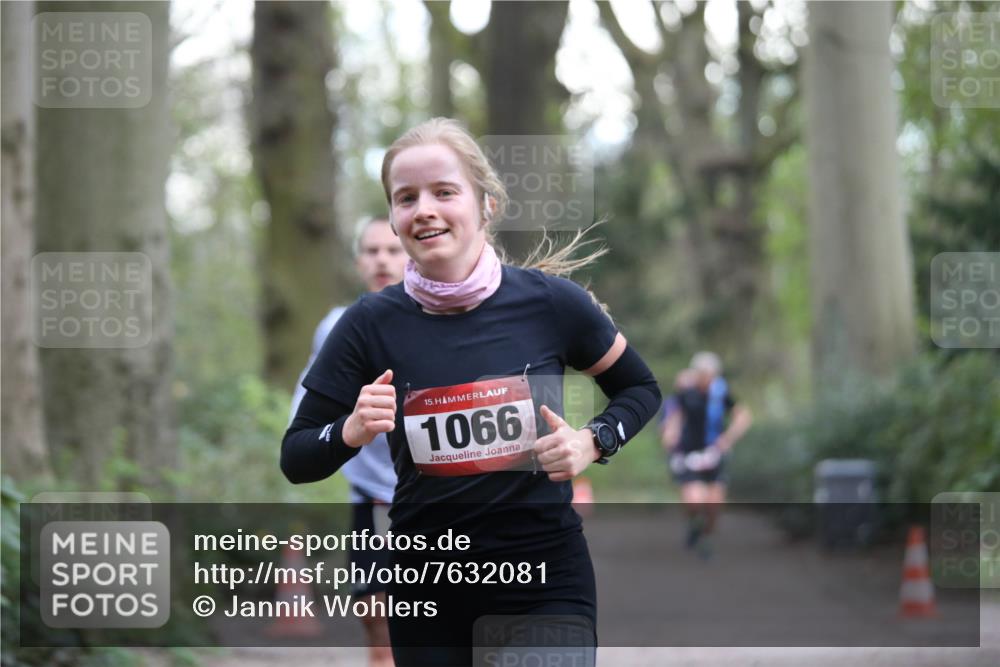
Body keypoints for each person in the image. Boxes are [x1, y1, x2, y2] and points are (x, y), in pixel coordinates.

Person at [282, 117, 661, 666]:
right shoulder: (368, 325)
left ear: (486, 204)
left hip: (543, 578)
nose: (424, 209)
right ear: (393, 217)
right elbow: (296, 457)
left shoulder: (551, 304)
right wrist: (350, 429)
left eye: (444, 191)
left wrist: (593, 441)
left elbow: (639, 388)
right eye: (405, 197)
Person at [289, 217, 406, 667]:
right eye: (372, 251)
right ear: (359, 262)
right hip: (374, 491)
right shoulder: (338, 326)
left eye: (392, 250)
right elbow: (305, 417)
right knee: (375, 609)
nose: (382, 259)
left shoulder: (438, 317)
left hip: (439, 492)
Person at [661, 352, 752, 559]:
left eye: (710, 374)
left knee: (714, 504)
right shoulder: (685, 392)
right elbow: (674, 417)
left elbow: (743, 416)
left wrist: (727, 439)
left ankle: (706, 536)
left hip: (714, 455)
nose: (706, 378)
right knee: (694, 500)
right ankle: (695, 527)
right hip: (689, 454)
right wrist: (670, 434)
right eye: (702, 374)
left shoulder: (721, 393)